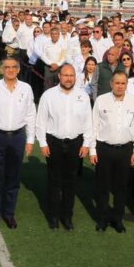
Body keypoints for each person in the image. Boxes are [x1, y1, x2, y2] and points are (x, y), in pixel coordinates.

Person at [0, 57, 36, 229]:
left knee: (13, 177)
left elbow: (31, 114)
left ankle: (9, 214)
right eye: (7, 67)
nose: (10, 70)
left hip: (18, 137)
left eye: (13, 67)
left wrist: (30, 139)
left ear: (18, 70)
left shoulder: (26, 88)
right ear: (2, 69)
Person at [36, 63, 93, 230]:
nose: (69, 78)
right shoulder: (49, 95)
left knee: (71, 182)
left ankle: (67, 217)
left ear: (75, 77)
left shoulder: (83, 96)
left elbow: (88, 122)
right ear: (59, 76)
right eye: (66, 75)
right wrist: (43, 143)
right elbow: (41, 121)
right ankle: (53, 217)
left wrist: (86, 143)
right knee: (54, 181)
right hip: (54, 142)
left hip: (75, 143)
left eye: (72, 75)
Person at [90, 70, 134, 233]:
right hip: (104, 149)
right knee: (102, 186)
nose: (120, 86)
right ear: (111, 84)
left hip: (125, 150)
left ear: (127, 85)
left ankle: (117, 219)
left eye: (123, 83)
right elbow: (94, 126)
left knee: (121, 187)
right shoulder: (101, 100)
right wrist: (92, 150)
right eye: (117, 83)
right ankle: (102, 219)